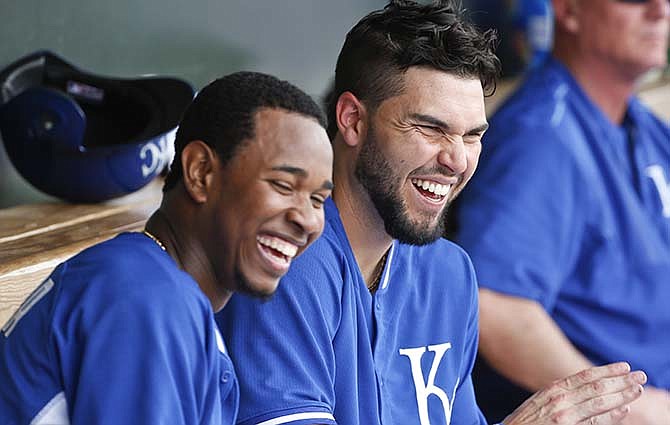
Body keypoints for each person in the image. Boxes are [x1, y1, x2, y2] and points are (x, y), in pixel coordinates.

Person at [217, 2, 647, 424]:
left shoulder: (448, 274)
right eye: (430, 128)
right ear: (351, 120)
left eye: (472, 136)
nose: (457, 160)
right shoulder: (283, 261)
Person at [0, 71, 334, 424]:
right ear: (200, 172)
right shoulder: (143, 298)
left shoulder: (158, 287)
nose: (308, 220)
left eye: (318, 199)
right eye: (283, 185)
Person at [454, 0, 670, 423]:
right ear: (569, 10)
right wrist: (628, 407)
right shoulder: (541, 134)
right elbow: (495, 305)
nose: (660, 9)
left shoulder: (647, 129)